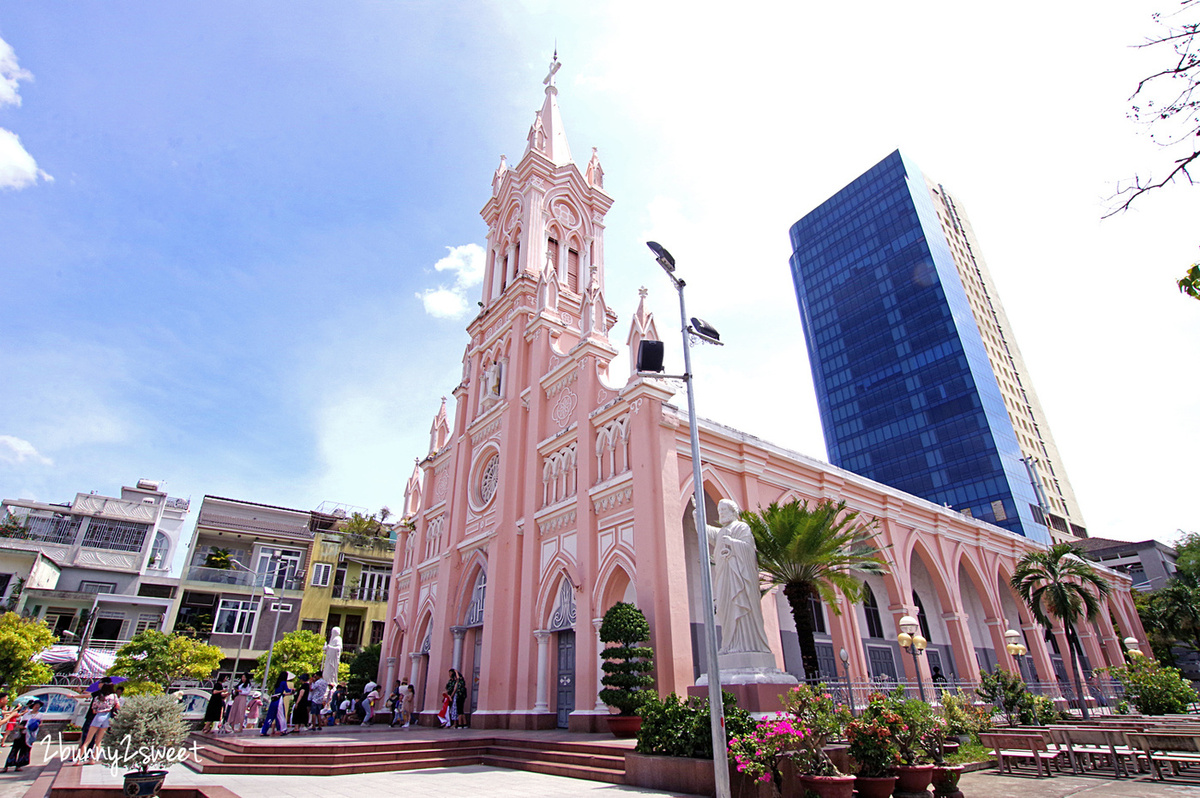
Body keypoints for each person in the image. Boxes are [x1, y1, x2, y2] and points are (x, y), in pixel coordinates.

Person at [699, 500, 773, 655]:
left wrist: (732, 543)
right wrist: (697, 515)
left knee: (741, 606)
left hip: (739, 577)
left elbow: (749, 550)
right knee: (726, 608)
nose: (721, 514)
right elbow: (706, 531)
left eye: (724, 510)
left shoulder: (741, 527)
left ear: (733, 512)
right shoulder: (721, 531)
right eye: (719, 511)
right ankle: (729, 643)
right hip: (725, 575)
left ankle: (746, 645)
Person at [77, 685, 118, 763]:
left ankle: (78, 760)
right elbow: (117, 706)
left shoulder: (98, 697)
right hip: (107, 717)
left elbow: (94, 710)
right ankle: (93, 759)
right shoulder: (114, 696)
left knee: (87, 740)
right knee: (98, 742)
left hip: (98, 716)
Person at [2, 700, 41, 772]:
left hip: (29, 735)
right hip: (21, 733)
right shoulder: (27, 714)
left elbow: (39, 724)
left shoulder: (39, 715)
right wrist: (20, 726)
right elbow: (20, 722)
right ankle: (7, 765)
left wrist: (33, 725)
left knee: (24, 750)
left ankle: (18, 765)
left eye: (38, 706)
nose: (37, 707)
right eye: (36, 706)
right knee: (14, 749)